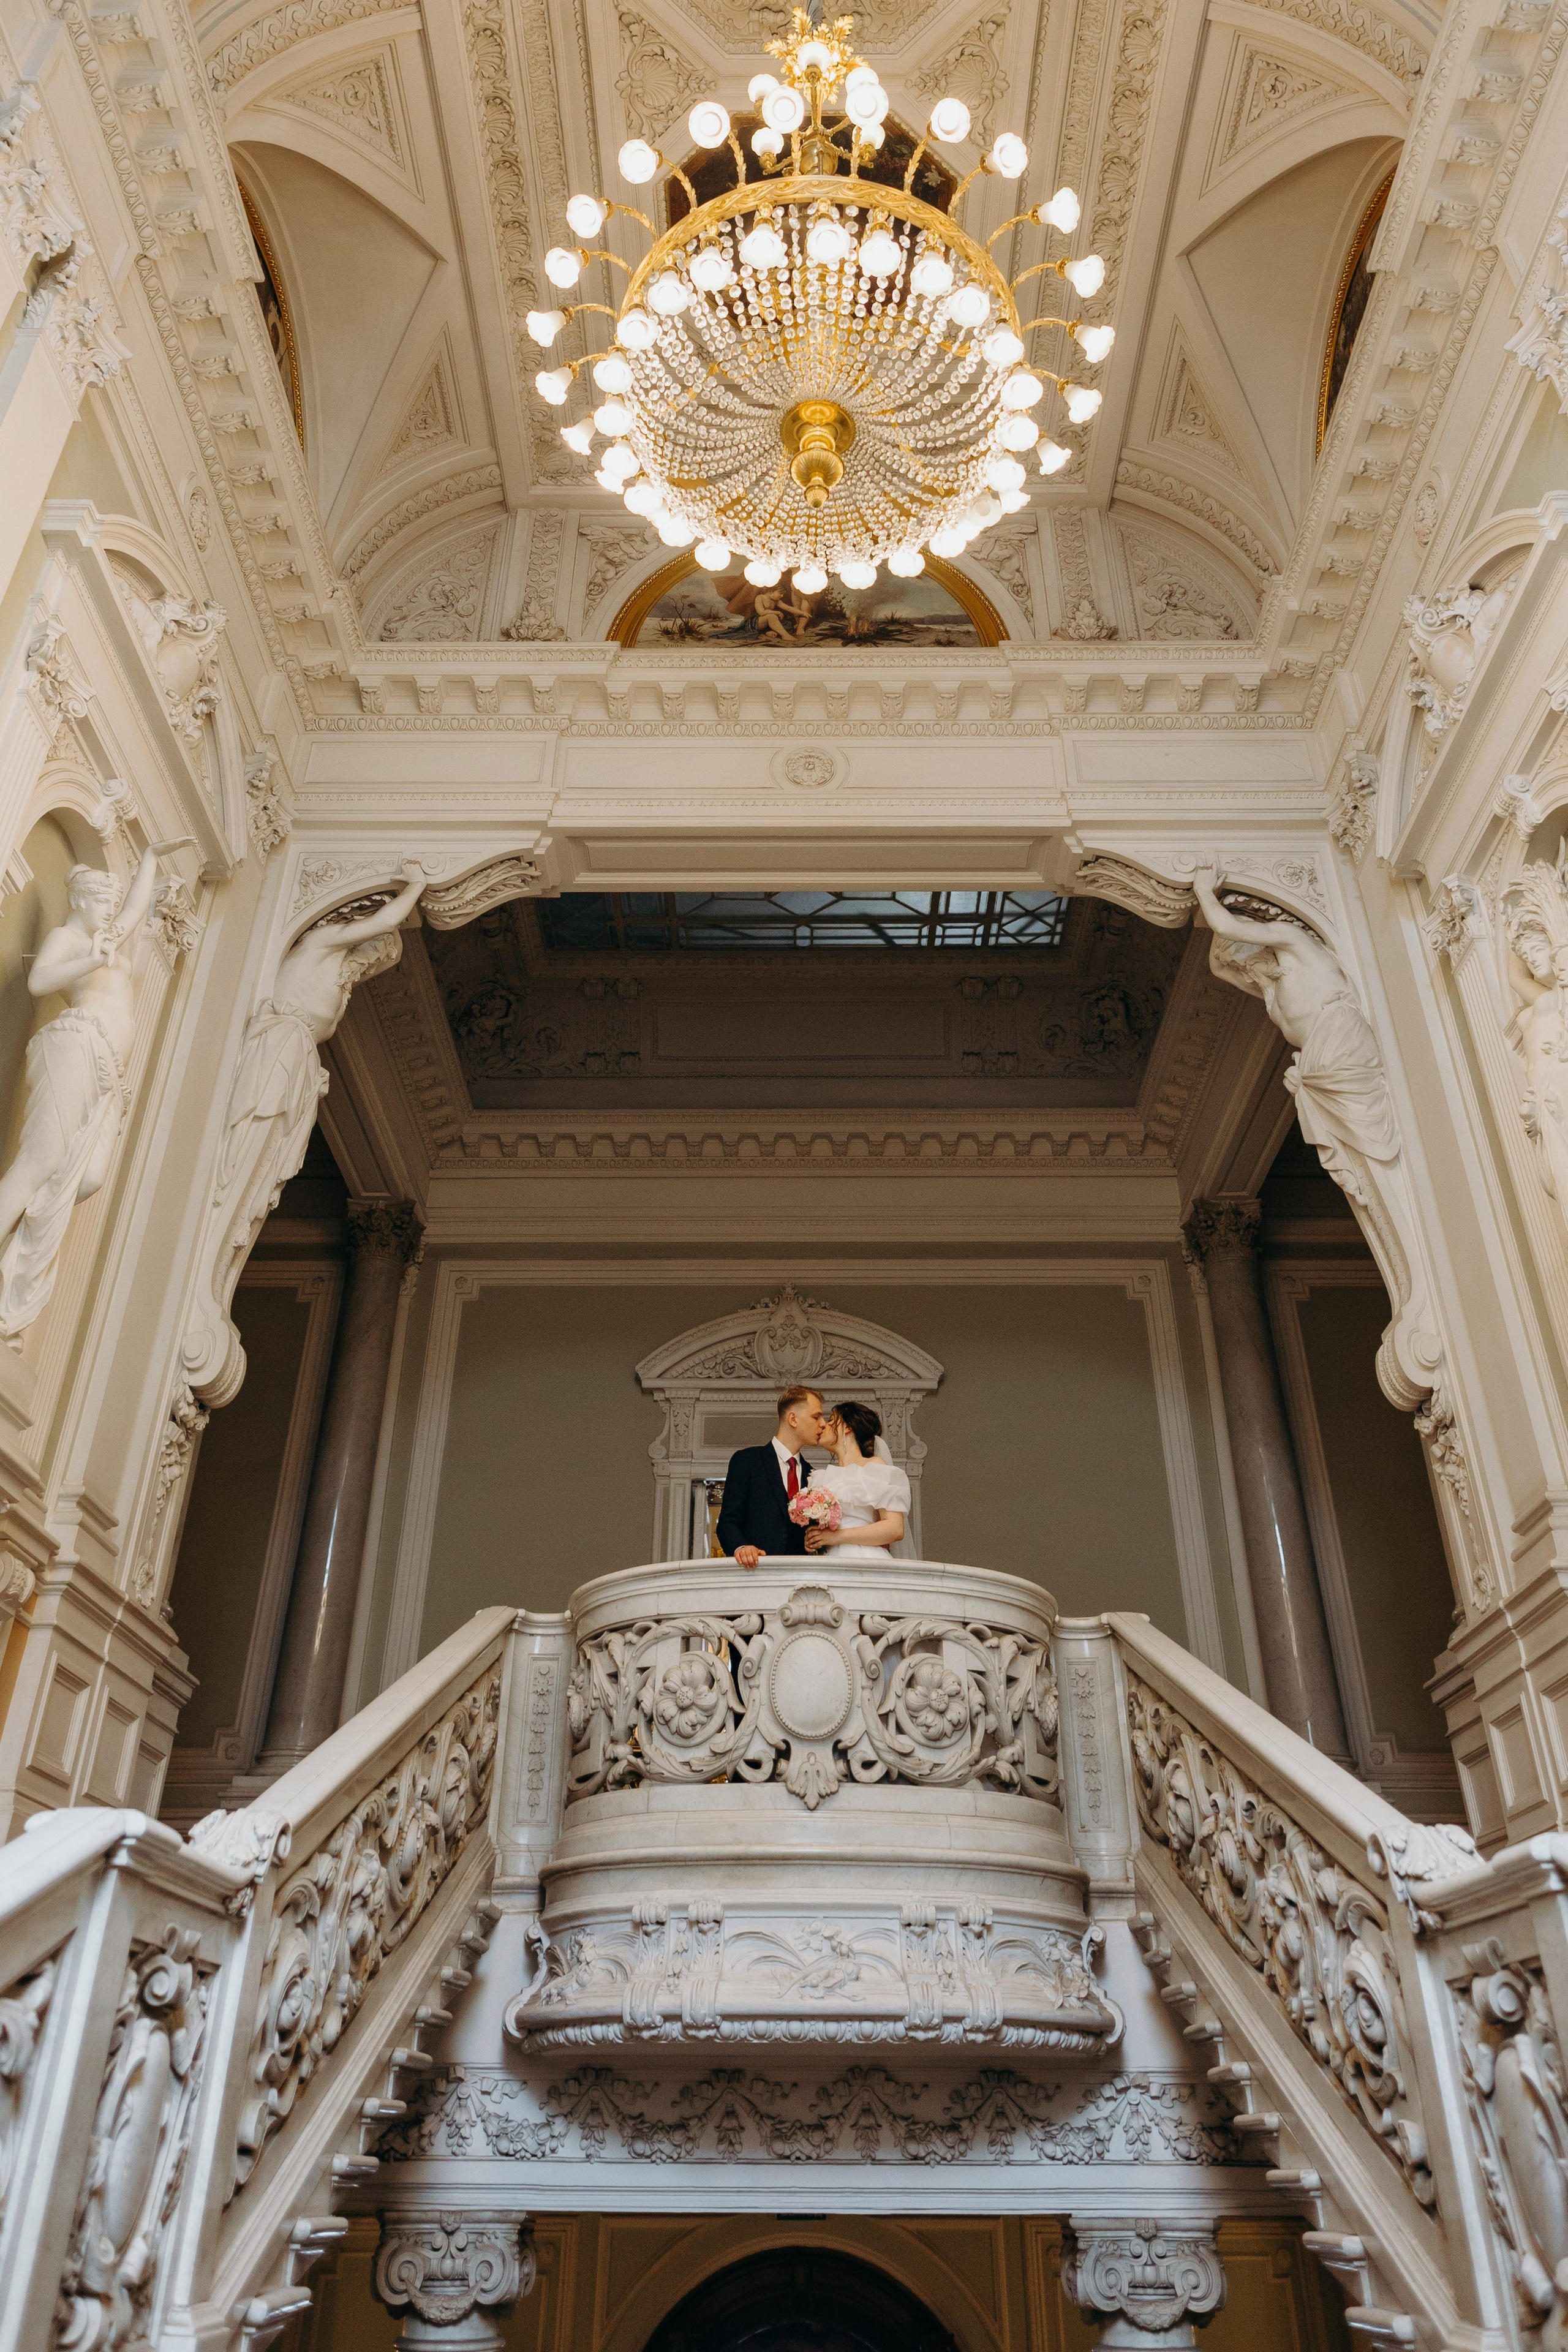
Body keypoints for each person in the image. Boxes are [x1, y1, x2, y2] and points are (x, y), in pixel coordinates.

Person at [716, 1385, 825, 1567]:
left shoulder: (813, 1475)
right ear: (793, 1419)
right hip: (755, 1576)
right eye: (816, 1417)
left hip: (800, 1580)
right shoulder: (747, 1461)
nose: (823, 1424)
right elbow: (728, 1522)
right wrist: (741, 1547)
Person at [802, 1400, 909, 1561]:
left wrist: (837, 1537)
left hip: (865, 1558)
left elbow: (895, 1529)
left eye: (831, 1420)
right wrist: (814, 1538)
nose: (824, 1425)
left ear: (848, 1427)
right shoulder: (820, 1477)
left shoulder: (874, 1467)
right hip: (828, 1559)